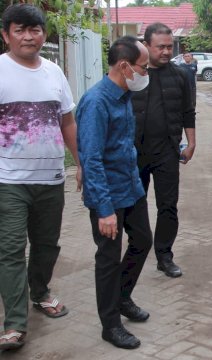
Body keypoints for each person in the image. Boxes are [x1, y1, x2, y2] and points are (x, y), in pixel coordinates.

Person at [0, 4, 81, 350]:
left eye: (35, 30)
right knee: (10, 250)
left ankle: (41, 291)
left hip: (51, 178)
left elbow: (67, 122)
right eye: (20, 30)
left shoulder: (54, 73)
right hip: (8, 180)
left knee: (47, 245)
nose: (28, 36)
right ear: (6, 35)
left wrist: (83, 164)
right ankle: (15, 324)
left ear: (44, 34)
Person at [76, 36, 153, 350]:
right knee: (107, 258)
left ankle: (122, 297)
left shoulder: (123, 96)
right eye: (143, 67)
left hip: (130, 187)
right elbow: (91, 159)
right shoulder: (96, 102)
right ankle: (110, 324)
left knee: (144, 240)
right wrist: (105, 210)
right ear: (125, 66)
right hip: (107, 195)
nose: (146, 73)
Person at [131, 23, 196, 278]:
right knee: (134, 205)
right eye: (161, 47)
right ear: (146, 46)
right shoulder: (134, 74)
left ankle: (164, 255)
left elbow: (188, 112)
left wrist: (191, 143)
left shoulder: (181, 75)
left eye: (170, 46)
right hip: (135, 153)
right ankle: (136, 250)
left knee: (168, 206)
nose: (166, 52)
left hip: (168, 151)